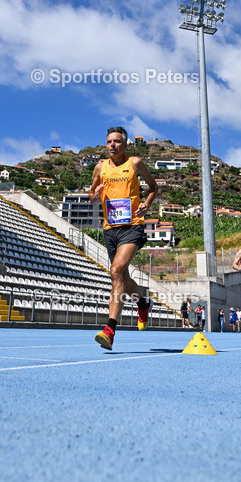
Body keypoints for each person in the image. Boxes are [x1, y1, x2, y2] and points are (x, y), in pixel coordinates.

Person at [90, 126, 158, 351]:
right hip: (111, 229)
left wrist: (146, 205)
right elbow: (90, 195)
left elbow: (153, 187)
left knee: (116, 271)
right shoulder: (100, 167)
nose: (112, 145)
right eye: (109, 141)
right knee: (123, 279)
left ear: (125, 145)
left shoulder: (135, 163)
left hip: (132, 226)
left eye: (117, 141)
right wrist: (96, 193)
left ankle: (109, 330)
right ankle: (142, 302)